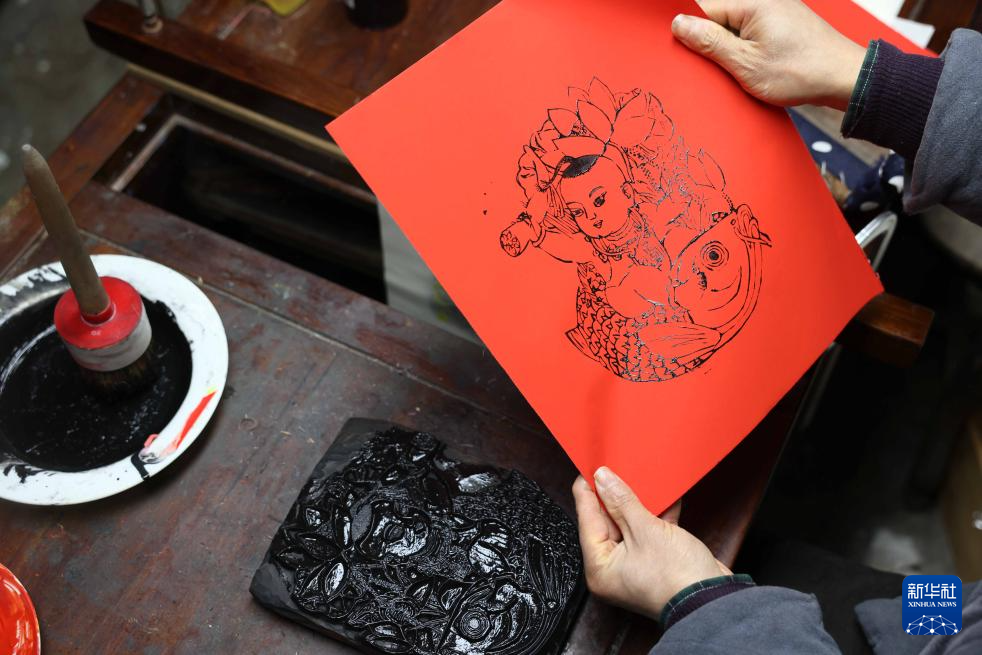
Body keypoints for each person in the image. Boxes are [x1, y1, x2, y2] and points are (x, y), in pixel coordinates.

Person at [572, 1, 982, 653]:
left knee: (790, 574)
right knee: (897, 602)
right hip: (957, 617)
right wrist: (867, 79)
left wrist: (698, 598)